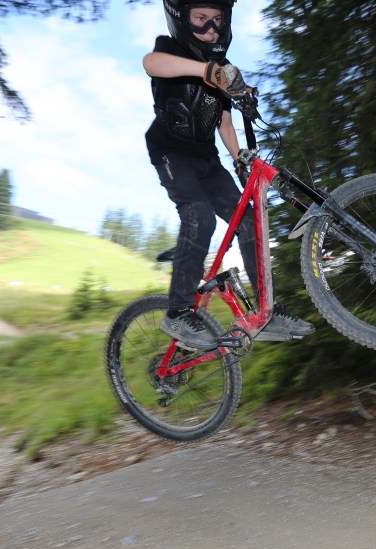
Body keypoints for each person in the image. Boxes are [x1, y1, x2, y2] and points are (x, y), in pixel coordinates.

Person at [143, 0, 314, 349]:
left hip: (207, 160)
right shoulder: (170, 49)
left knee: (249, 221)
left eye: (217, 20)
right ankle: (177, 313)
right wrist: (207, 71)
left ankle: (265, 312)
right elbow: (151, 64)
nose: (211, 29)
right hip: (171, 154)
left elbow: (223, 122)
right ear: (181, 19)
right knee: (200, 217)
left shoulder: (224, 68)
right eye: (201, 19)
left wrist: (239, 159)